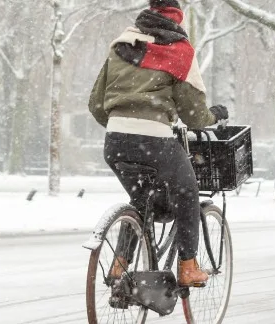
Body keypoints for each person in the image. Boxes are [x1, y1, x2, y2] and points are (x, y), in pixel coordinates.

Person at [88, 0, 228, 288]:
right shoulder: (178, 51)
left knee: (141, 200)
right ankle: (188, 267)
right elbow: (193, 116)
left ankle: (120, 264)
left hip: (115, 142)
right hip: (155, 140)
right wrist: (213, 115)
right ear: (177, 20)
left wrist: (124, 125)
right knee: (188, 194)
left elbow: (96, 105)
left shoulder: (122, 46)